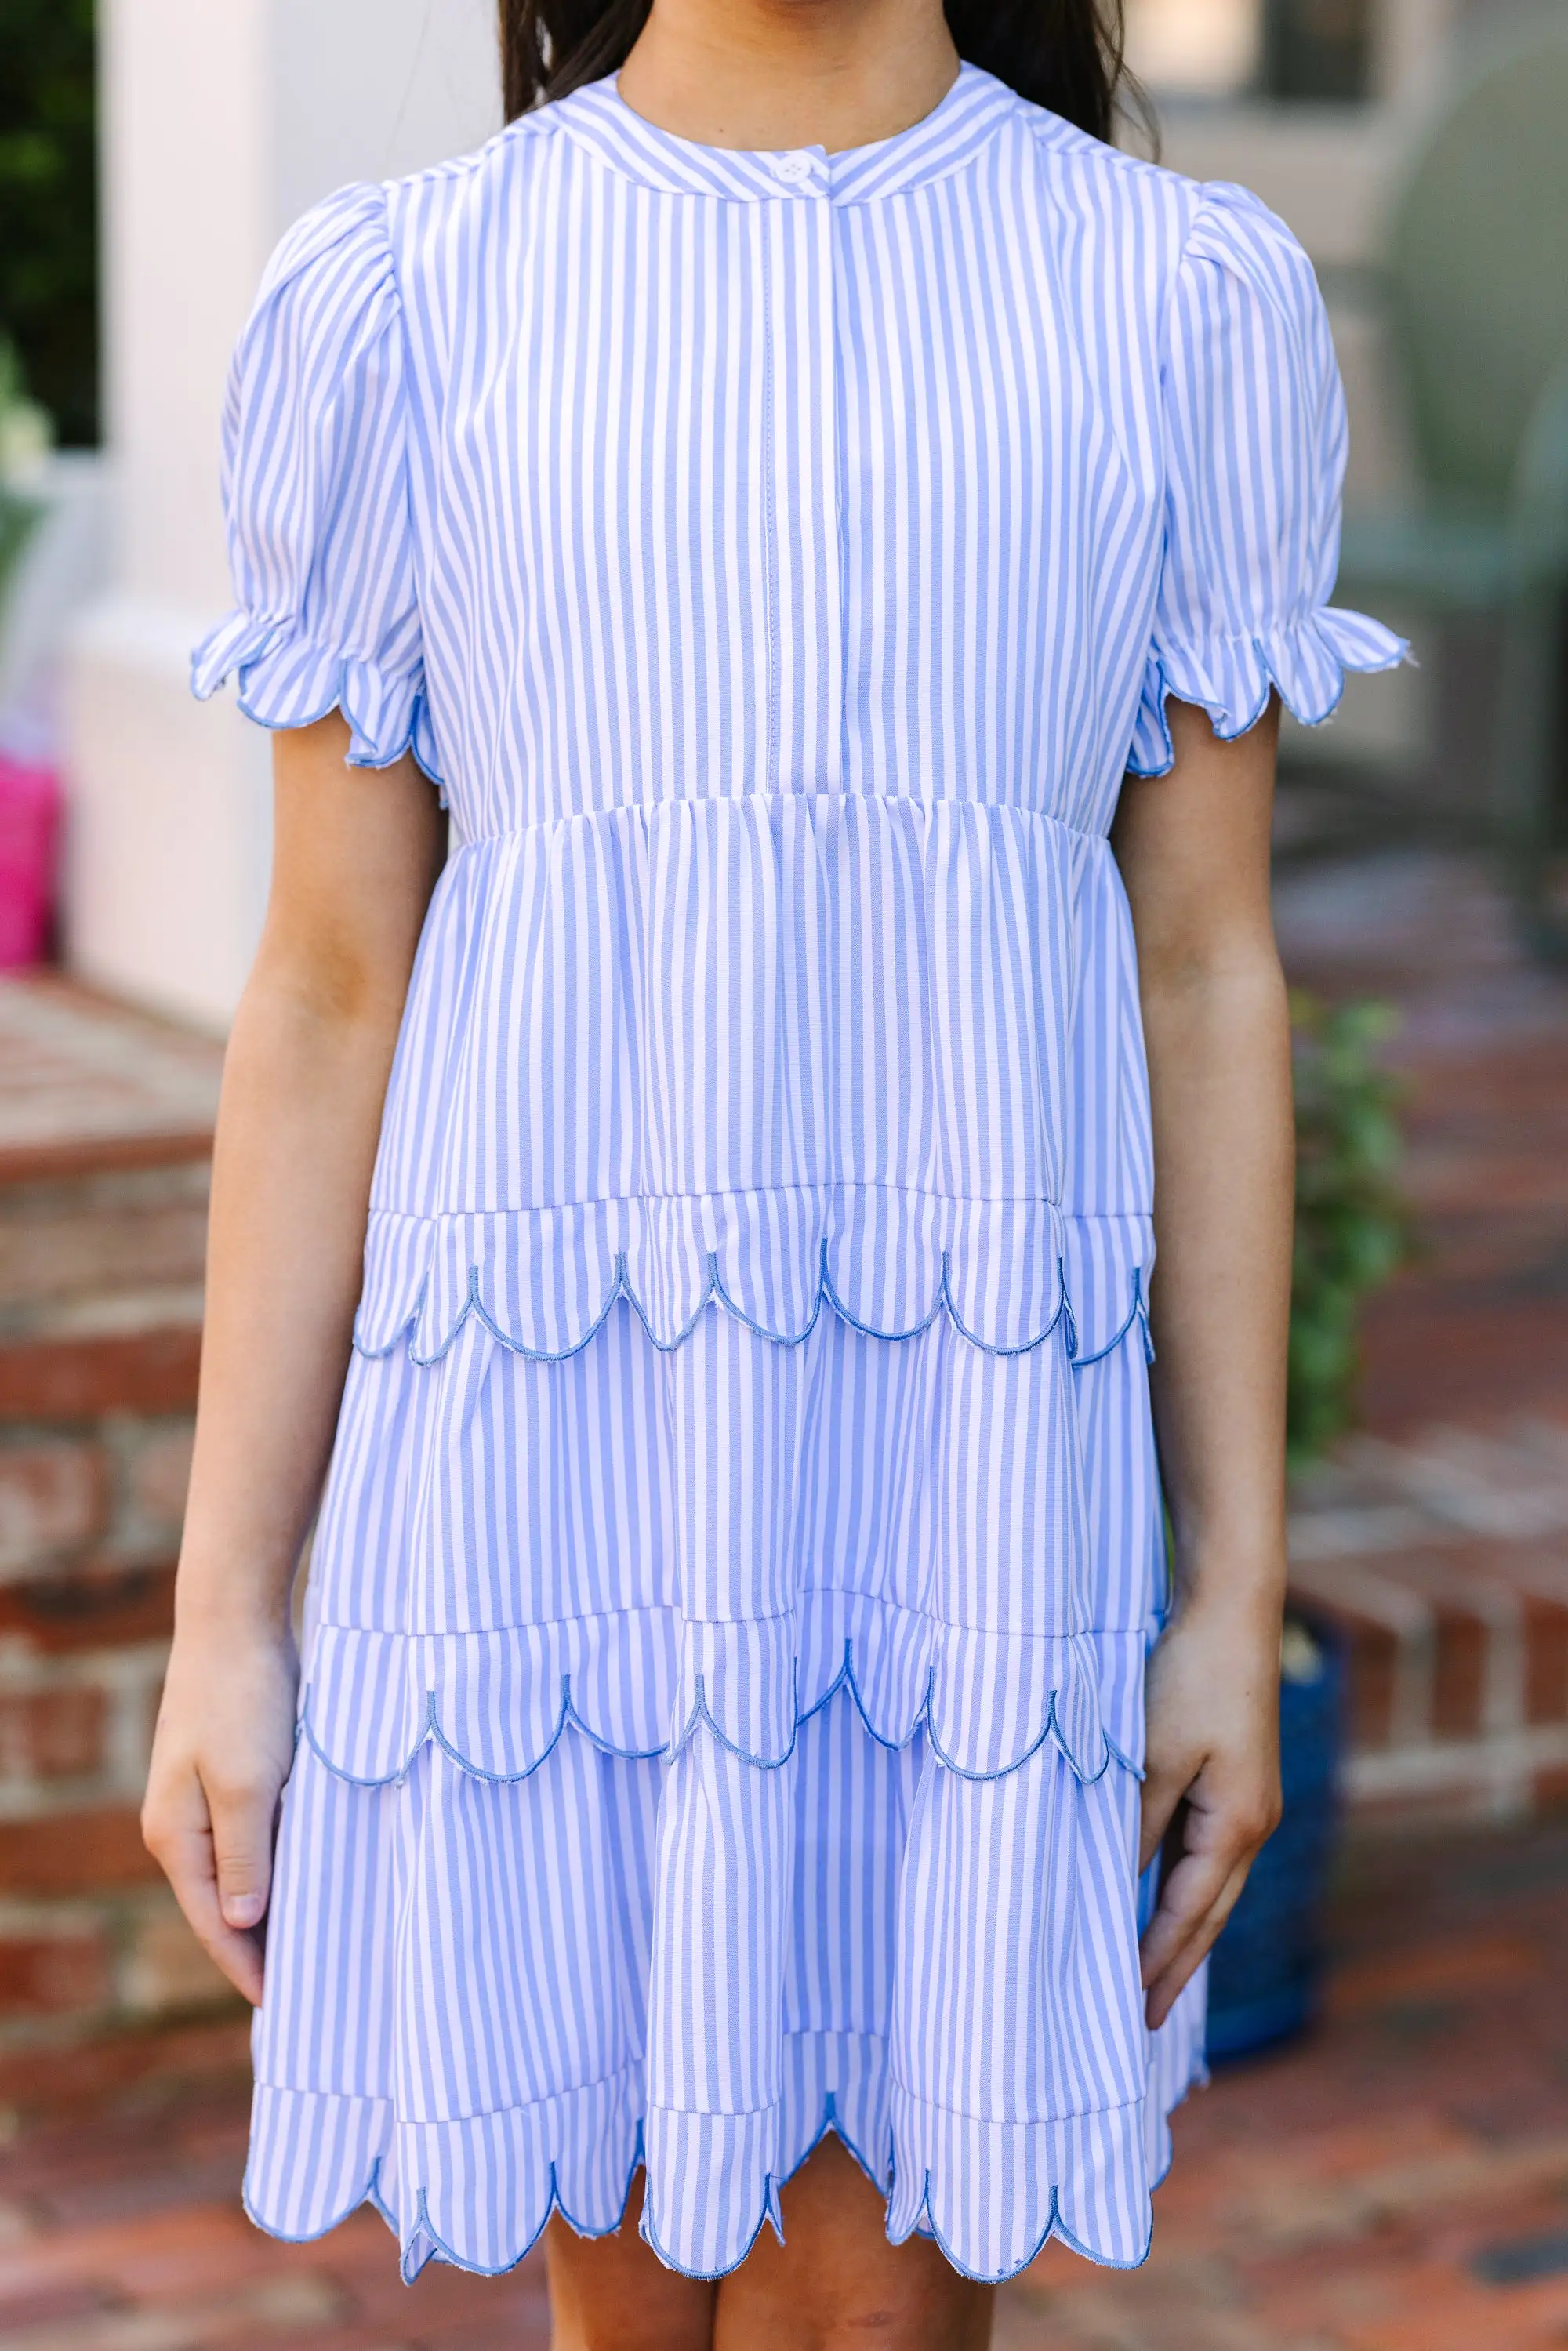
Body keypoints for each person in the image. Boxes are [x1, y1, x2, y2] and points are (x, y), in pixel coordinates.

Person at [141, 1, 1406, 2344]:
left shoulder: (1172, 300)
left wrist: (1235, 1584)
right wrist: (229, 1607)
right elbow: (325, 986)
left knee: (889, 2314)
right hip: (550, 1494)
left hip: (964, 1518)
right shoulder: (411, 301)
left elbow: (1207, 973)